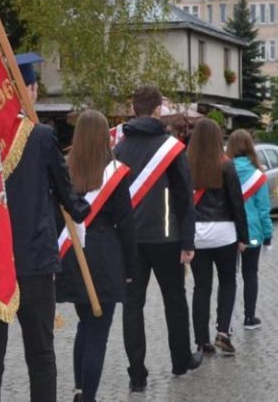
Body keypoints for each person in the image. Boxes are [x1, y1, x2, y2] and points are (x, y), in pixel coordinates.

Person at [0, 53, 91, 402]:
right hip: (35, 263)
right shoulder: (40, 137)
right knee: (40, 352)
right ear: (31, 91)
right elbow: (66, 191)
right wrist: (83, 210)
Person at [114, 85, 202, 392]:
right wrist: (188, 242)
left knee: (132, 306)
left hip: (128, 242)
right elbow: (184, 198)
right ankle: (181, 360)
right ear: (156, 110)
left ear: (133, 108)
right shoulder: (171, 147)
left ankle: (136, 375)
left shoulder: (119, 148)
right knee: (175, 300)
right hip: (167, 238)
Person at [57, 109, 137, 402]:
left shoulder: (65, 169)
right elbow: (126, 223)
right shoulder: (114, 172)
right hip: (105, 258)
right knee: (98, 332)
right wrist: (131, 267)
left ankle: (80, 389)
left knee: (85, 325)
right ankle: (87, 396)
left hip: (73, 255)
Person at [188, 119, 248, 356]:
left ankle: (202, 340)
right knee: (228, 282)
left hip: (197, 235)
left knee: (201, 287)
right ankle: (223, 332)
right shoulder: (226, 165)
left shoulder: (186, 164)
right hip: (225, 234)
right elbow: (237, 204)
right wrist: (243, 237)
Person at [226, 129, 273, 331]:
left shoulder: (223, 171)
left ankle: (224, 323)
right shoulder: (257, 176)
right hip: (253, 233)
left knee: (228, 278)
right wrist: (268, 235)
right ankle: (249, 317)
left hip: (229, 233)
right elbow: (264, 210)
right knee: (250, 274)